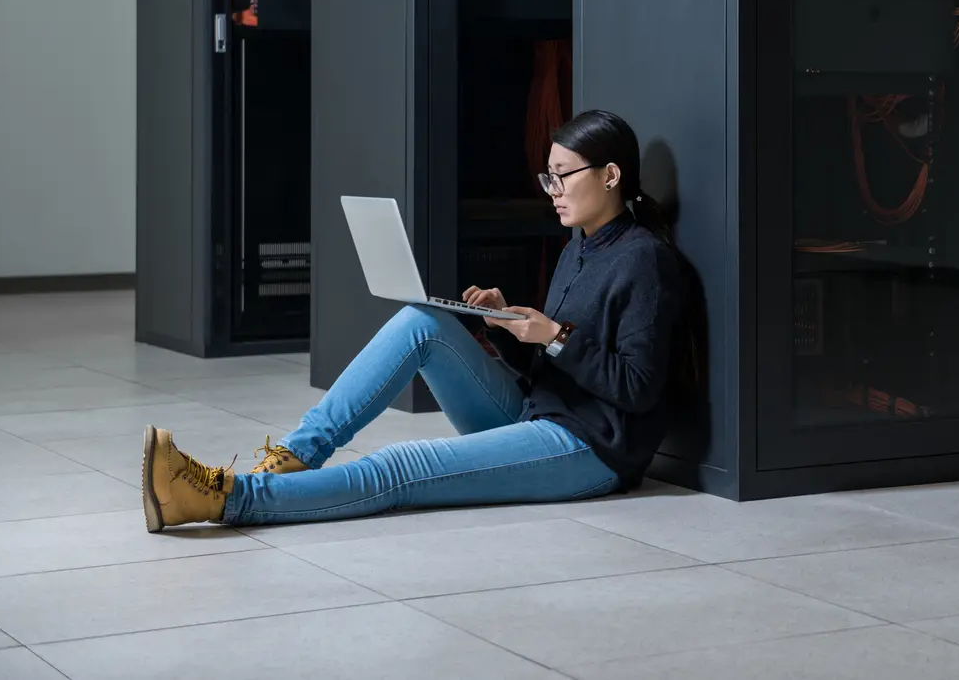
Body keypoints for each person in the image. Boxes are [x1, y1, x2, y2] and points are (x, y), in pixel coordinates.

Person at [141, 110, 686, 531]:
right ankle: (293, 456)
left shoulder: (646, 260)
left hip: (590, 450)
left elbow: (636, 390)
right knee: (419, 321)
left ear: (611, 175)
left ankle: (225, 497)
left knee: (403, 466)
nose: (554, 191)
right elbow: (559, 369)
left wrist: (557, 336)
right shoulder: (579, 248)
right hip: (538, 415)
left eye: (563, 176)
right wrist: (511, 330)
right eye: (549, 178)